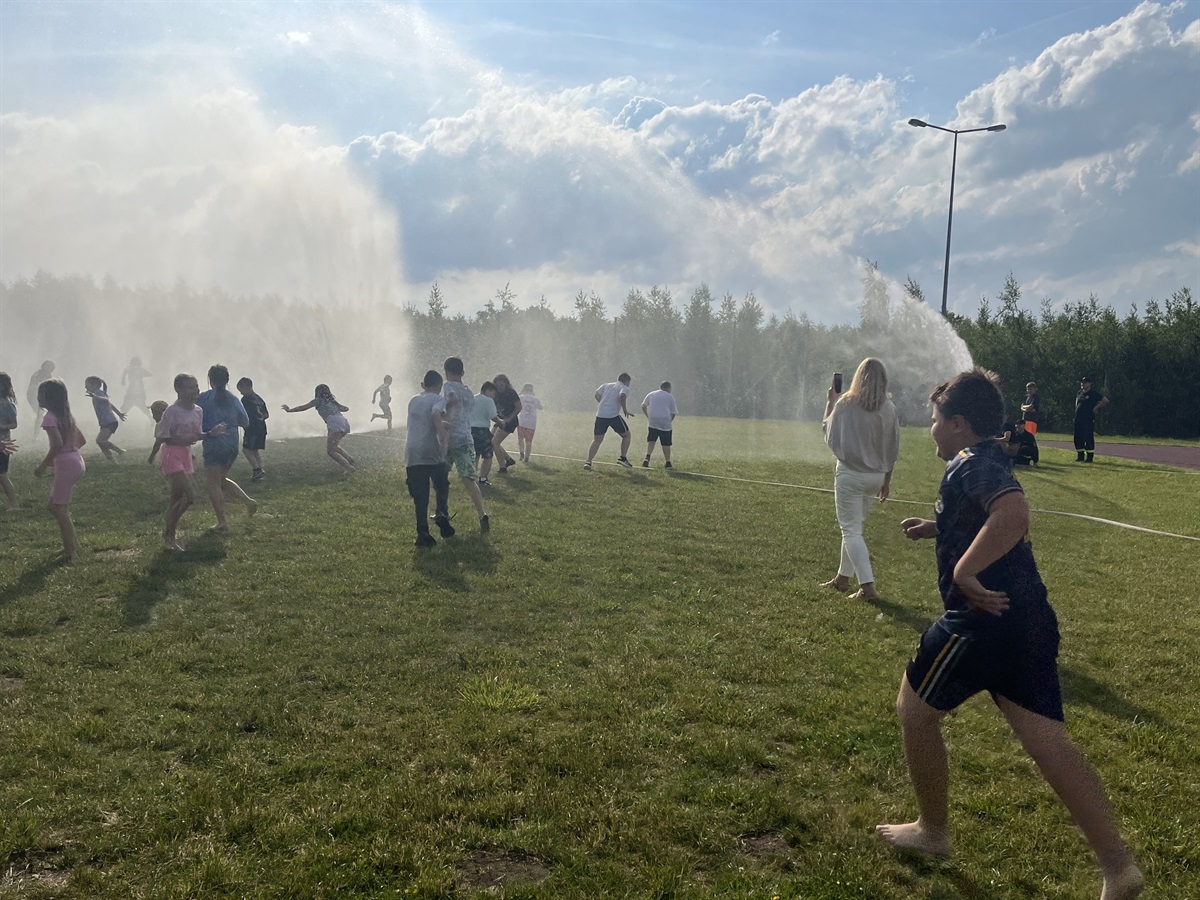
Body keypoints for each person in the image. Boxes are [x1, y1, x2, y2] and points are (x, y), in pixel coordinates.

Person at [878, 369, 1143, 900]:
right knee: (1048, 741)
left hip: (979, 622)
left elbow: (1014, 513)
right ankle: (1119, 868)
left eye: (935, 420)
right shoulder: (989, 456)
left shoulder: (970, 461)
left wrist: (963, 572)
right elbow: (988, 515)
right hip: (1028, 620)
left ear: (958, 424)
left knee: (913, 710)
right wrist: (939, 527)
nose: (931, 429)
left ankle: (933, 832)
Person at [820, 359, 900, 601]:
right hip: (876, 476)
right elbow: (892, 448)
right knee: (854, 528)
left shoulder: (846, 403)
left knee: (850, 530)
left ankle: (867, 587)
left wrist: (831, 401)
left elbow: (828, 431)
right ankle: (842, 579)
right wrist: (886, 480)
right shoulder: (889, 408)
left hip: (850, 475)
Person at [156, 374, 224, 551]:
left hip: (186, 455)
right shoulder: (171, 411)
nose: (195, 390)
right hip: (172, 454)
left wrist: (211, 433)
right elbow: (163, 436)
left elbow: (197, 434)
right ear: (178, 389)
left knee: (180, 499)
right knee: (188, 496)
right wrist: (183, 439)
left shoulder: (198, 411)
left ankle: (169, 534)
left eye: (196, 386)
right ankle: (169, 535)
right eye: (190, 387)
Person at [197, 364, 255, 531]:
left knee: (213, 483)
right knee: (220, 479)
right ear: (227, 380)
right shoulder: (233, 398)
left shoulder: (204, 398)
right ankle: (248, 501)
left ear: (210, 379)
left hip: (214, 443)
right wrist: (230, 421)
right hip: (232, 443)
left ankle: (222, 522)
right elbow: (246, 422)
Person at [33, 378, 86, 560]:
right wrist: (70, 453)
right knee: (56, 506)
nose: (38, 397)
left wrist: (44, 464)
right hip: (76, 460)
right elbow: (81, 440)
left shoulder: (49, 418)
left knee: (57, 508)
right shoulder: (66, 415)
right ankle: (73, 544)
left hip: (65, 464)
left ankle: (70, 552)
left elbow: (57, 444)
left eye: (41, 394)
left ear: (51, 397)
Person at [443, 357, 489, 533]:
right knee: (469, 479)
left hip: (448, 438)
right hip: (466, 438)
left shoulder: (448, 387)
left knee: (441, 476)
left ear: (446, 372)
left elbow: (447, 404)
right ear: (462, 373)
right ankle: (482, 513)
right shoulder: (469, 392)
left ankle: (442, 512)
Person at [405, 370, 450, 547]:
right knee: (441, 484)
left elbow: (415, 423)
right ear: (439, 385)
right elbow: (435, 414)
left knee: (420, 495)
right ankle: (441, 514)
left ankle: (422, 532)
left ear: (424, 384)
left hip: (412, 450)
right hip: (430, 448)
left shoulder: (413, 399)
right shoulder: (438, 399)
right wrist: (443, 437)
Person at [282, 384, 356, 473]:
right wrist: (338, 406)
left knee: (331, 451)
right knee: (334, 446)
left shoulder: (317, 401)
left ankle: (348, 467)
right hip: (343, 422)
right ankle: (350, 459)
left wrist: (289, 410)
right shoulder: (331, 400)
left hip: (334, 423)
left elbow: (303, 407)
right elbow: (345, 409)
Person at [584, 373, 634, 469]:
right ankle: (623, 458)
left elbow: (596, 394)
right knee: (627, 435)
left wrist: (603, 404)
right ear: (626, 381)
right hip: (613, 416)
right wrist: (625, 410)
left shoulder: (606, 385)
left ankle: (588, 462)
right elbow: (622, 396)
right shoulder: (624, 387)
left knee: (597, 440)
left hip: (600, 415)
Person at [84, 375, 127, 461]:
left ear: (94, 385)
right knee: (101, 442)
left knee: (101, 441)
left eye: (87, 385)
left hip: (110, 422)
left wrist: (94, 396)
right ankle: (111, 459)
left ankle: (119, 451)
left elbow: (105, 400)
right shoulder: (97, 393)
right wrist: (119, 414)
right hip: (106, 422)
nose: (85, 387)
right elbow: (109, 404)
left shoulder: (98, 393)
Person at [237, 377, 269, 482]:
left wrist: (241, 422)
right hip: (262, 428)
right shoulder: (259, 398)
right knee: (254, 450)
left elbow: (245, 414)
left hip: (252, 428)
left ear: (247, 387)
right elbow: (266, 415)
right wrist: (260, 419)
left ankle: (256, 470)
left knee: (246, 450)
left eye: (241, 390)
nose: (241, 393)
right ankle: (259, 470)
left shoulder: (245, 400)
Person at [641, 381, 678, 469]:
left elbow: (643, 406)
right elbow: (673, 412)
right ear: (668, 388)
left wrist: (648, 416)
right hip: (665, 420)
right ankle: (668, 462)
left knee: (651, 440)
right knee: (666, 443)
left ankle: (647, 457)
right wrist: (669, 421)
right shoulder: (670, 396)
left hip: (653, 420)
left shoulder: (651, 394)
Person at [490, 374, 522, 472]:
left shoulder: (511, 393)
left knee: (495, 442)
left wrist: (509, 418)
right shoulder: (494, 394)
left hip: (510, 421)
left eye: (502, 384)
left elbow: (519, 407)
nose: (499, 386)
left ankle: (502, 468)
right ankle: (508, 460)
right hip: (500, 420)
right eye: (497, 384)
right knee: (490, 440)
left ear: (506, 384)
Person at [1074, 375, 1109, 463]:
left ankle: (1089, 457)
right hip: (1078, 419)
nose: (1083, 384)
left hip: (1088, 419)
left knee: (1088, 437)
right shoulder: (1079, 393)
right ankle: (1080, 456)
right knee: (1078, 437)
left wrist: (1096, 408)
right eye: (1082, 382)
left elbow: (1105, 400)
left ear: (1090, 384)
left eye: (1085, 382)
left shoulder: (1093, 394)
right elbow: (1077, 403)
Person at [470, 381, 499, 486]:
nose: (494, 396)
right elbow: (493, 416)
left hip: (470, 430)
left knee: (474, 455)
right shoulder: (489, 401)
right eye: (493, 393)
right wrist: (501, 423)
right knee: (488, 456)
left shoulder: (472, 398)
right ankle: (482, 479)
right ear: (488, 390)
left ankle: (471, 478)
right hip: (482, 431)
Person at [0, 371, 19, 510]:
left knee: (2, 475)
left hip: (3, 444)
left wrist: (2, 426)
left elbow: (14, 424)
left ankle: (13, 504)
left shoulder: (7, 405)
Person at [26, 360, 54, 438]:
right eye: (48, 367)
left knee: (41, 414)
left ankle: (38, 433)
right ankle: (36, 434)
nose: (49, 370)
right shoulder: (37, 375)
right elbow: (34, 388)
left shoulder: (48, 376)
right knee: (40, 414)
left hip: (41, 397)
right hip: (34, 396)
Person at [516, 383, 543, 463]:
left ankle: (521, 454)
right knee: (528, 442)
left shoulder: (521, 397)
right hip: (531, 423)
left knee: (520, 439)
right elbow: (540, 407)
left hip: (521, 422)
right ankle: (527, 457)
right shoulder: (535, 399)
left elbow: (515, 402)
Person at [146, 400, 170, 465]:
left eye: (154, 414)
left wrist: (151, 457)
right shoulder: (173, 421)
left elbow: (158, 443)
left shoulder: (160, 425)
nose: (153, 416)